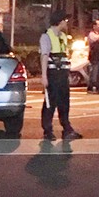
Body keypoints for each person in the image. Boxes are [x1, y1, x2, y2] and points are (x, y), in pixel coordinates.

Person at [40, 10, 83, 141]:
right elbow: (44, 56)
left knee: (64, 102)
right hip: (52, 74)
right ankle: (48, 130)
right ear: (60, 21)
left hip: (63, 74)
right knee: (50, 103)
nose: (67, 23)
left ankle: (67, 129)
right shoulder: (46, 36)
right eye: (65, 20)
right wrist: (44, 76)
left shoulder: (63, 36)